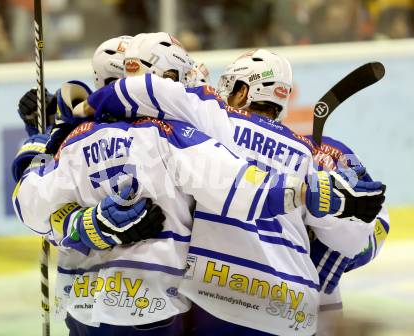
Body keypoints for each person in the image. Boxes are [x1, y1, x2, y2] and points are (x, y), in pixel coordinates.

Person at [72, 37, 386, 335]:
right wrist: (328, 253)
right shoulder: (310, 151)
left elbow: (145, 90)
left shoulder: (209, 122)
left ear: (241, 91)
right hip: (294, 308)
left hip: (217, 301)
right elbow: (363, 230)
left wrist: (83, 110)